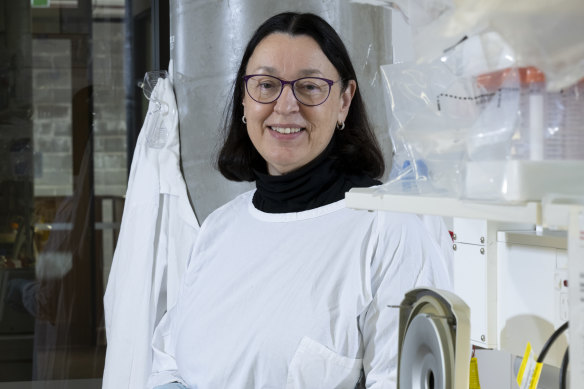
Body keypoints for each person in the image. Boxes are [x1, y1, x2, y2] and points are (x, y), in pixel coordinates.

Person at [147, 11, 451, 389]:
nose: (286, 106)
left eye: (309, 87)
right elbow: (167, 360)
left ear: (343, 101)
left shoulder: (388, 227)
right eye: (266, 85)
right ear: (245, 99)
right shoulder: (218, 228)